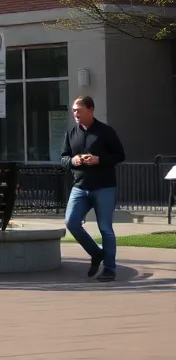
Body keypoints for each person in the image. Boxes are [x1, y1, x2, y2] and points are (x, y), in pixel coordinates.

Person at [61, 95, 126, 282]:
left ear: (90, 109)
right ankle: (96, 253)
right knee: (71, 222)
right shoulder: (71, 133)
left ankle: (109, 269)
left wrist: (99, 160)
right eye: (74, 110)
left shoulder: (106, 132)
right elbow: (64, 158)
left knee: (105, 228)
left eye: (78, 110)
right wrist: (73, 160)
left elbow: (120, 155)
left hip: (104, 187)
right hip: (80, 187)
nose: (75, 113)